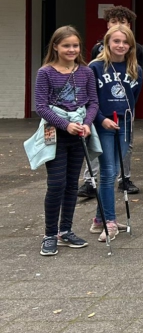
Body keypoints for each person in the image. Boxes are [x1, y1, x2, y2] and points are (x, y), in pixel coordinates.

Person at [31, 26, 99, 256]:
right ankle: (49, 234)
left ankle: (65, 231)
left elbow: (93, 102)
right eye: (66, 45)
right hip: (55, 134)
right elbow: (41, 107)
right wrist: (65, 125)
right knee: (56, 184)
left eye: (75, 45)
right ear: (55, 47)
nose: (71, 49)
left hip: (78, 135)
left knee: (71, 184)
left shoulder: (86, 72)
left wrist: (87, 124)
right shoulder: (45, 73)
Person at [82, 5, 143, 199]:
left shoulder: (136, 57)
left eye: (122, 22)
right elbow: (92, 91)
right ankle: (90, 180)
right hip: (102, 115)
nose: (121, 44)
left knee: (118, 160)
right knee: (99, 155)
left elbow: (134, 89)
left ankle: (124, 178)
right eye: (114, 22)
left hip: (124, 116)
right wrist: (98, 116)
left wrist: (127, 109)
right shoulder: (96, 59)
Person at [89, 25, 142, 242]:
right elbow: (89, 100)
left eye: (125, 42)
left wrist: (126, 118)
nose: (121, 45)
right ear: (107, 43)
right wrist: (102, 119)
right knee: (108, 172)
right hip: (103, 125)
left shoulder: (134, 69)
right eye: (116, 41)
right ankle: (109, 221)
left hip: (124, 125)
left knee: (114, 171)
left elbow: (133, 97)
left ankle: (99, 219)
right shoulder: (95, 67)